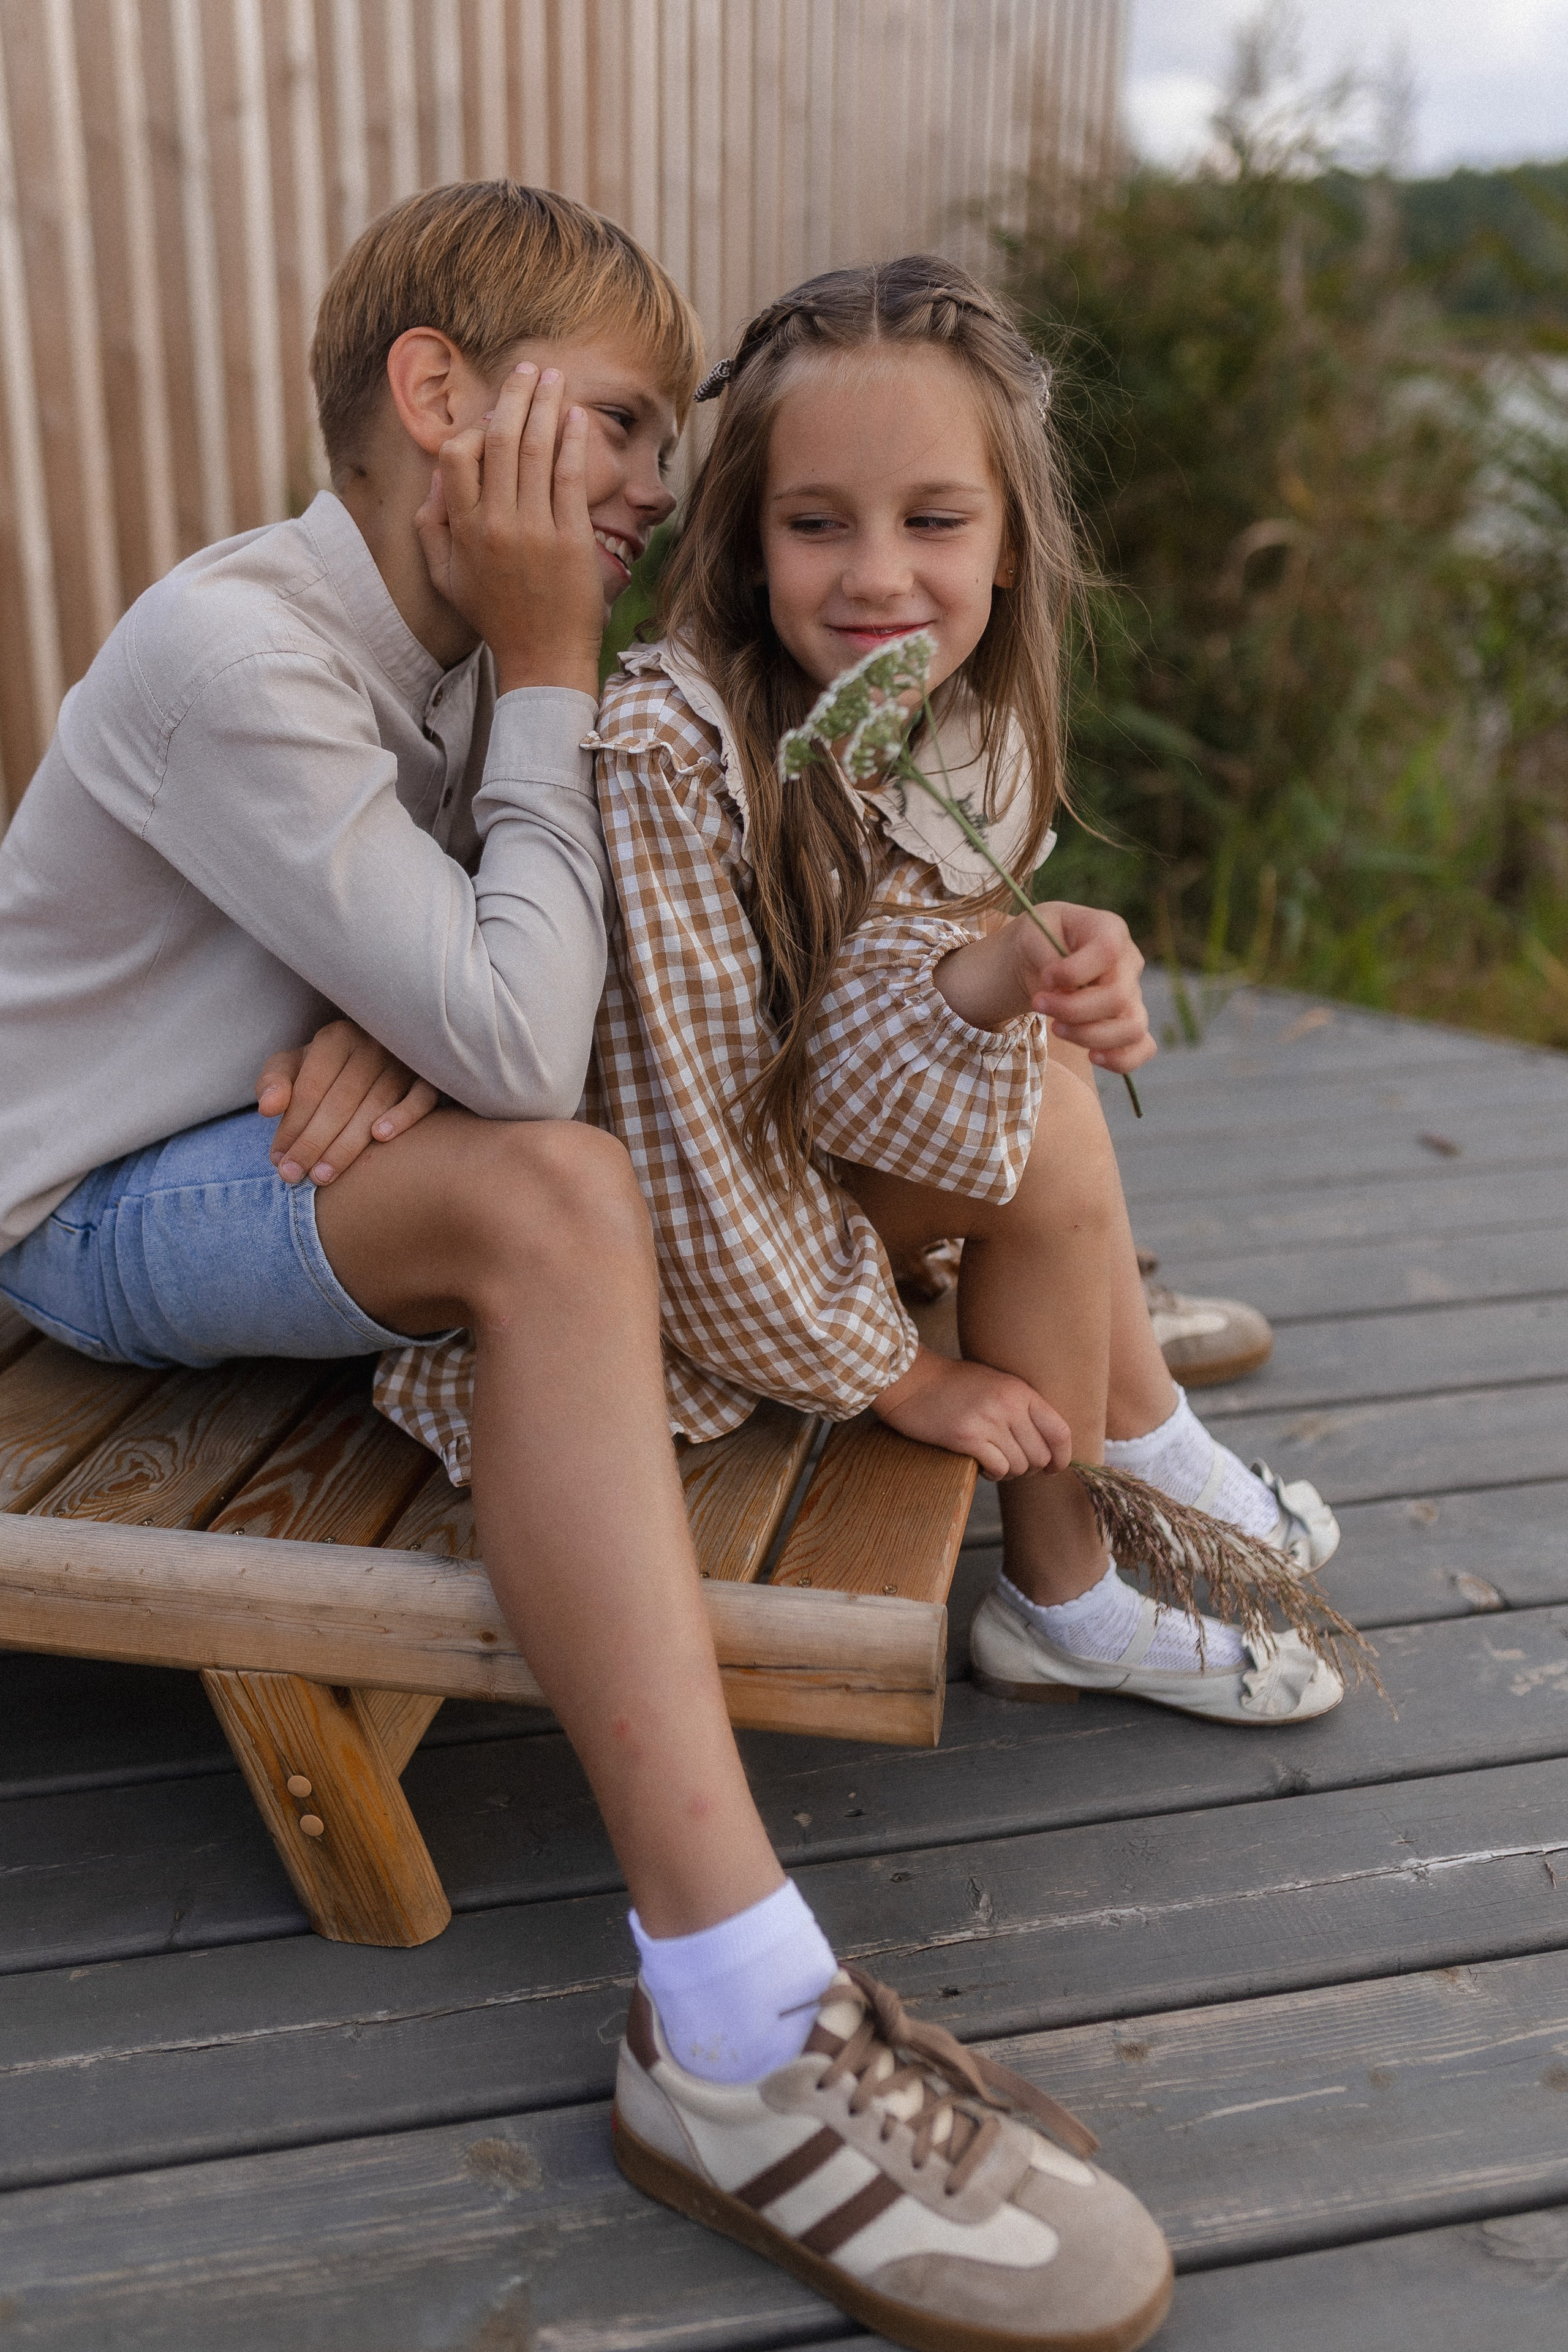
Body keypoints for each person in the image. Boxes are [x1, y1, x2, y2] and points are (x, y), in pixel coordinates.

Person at [0, 190, 1174, 2352]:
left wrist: (409, 983)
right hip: (89, 1206)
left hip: (269, 1136)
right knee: (553, 1195)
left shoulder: (443, 649)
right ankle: (735, 2021)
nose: (653, 485)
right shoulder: (245, 649)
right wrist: (529, 743)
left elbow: (524, 965)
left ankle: (1130, 1415)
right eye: (624, 428)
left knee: (558, 1127)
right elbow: (529, 1055)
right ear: (439, 398)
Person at [380, 252, 1341, 1736]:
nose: (877, 575)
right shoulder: (666, 761)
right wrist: (898, 1373)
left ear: (1011, 542)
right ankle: (1076, 1574)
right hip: (657, 1281)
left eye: (934, 521)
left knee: (1046, 1074)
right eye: (815, 523)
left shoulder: (942, 720)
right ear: (748, 542)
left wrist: (1000, 969)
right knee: (1053, 1127)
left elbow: (851, 1068)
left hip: (789, 1193)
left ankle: (1130, 1466)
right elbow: (688, 1171)